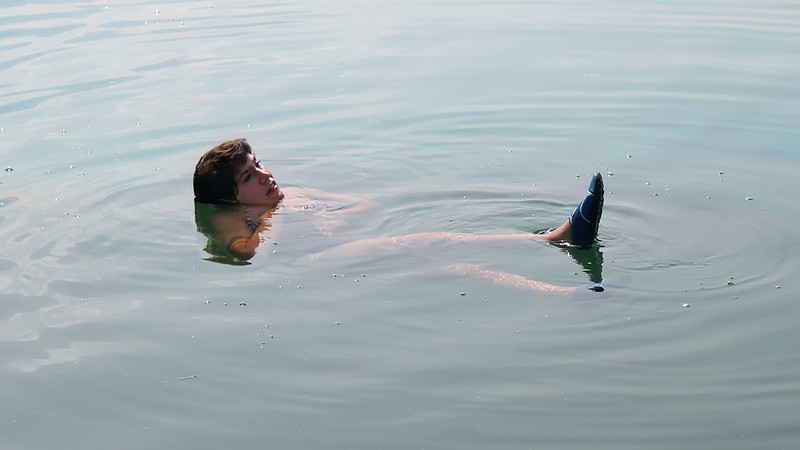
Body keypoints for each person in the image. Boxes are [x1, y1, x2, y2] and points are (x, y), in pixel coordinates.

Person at [193, 138, 608, 296]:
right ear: (231, 198)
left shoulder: (290, 193)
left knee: (457, 267)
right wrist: (276, 218)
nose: (266, 176)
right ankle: (554, 240)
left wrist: (333, 217)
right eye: (250, 176)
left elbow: (365, 206)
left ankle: (564, 296)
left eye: (260, 164)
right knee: (433, 244)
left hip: (343, 248)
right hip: (317, 265)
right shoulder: (232, 216)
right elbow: (249, 255)